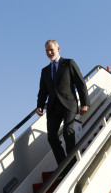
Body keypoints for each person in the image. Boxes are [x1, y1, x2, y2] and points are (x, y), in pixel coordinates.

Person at [36, 39, 90, 177]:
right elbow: (43, 91)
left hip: (69, 104)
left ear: (58, 49)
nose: (49, 52)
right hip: (53, 107)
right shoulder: (45, 71)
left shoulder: (69, 63)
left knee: (68, 130)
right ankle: (63, 166)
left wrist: (85, 103)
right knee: (52, 137)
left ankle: (72, 163)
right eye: (46, 50)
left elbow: (80, 83)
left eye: (51, 50)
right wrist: (40, 106)